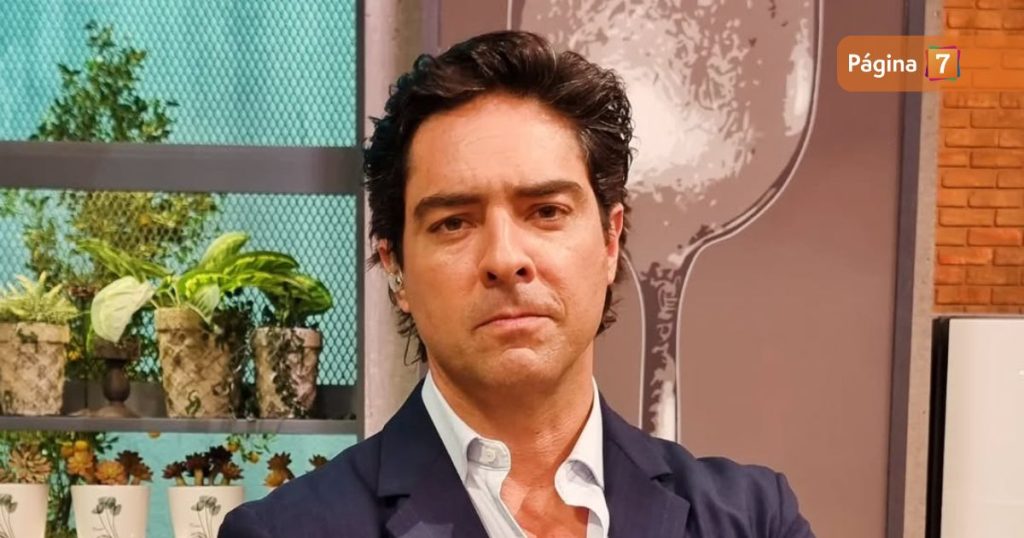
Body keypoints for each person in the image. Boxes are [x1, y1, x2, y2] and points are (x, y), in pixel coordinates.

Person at [219, 31, 814, 538]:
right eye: (454, 222)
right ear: (395, 267)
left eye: (546, 211)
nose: (505, 259)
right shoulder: (287, 531)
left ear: (610, 241)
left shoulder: (751, 518)